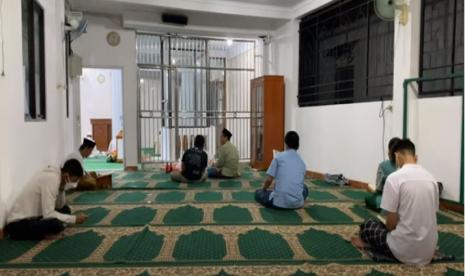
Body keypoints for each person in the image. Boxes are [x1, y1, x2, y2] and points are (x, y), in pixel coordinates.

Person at [352, 139, 439, 266]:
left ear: (397, 156)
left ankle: (369, 243)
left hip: (403, 250)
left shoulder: (394, 178)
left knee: (369, 225)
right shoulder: (432, 179)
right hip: (428, 250)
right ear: (416, 157)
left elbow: (390, 225)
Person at [2, 159, 88, 240]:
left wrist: (62, 188)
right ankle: (48, 233)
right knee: (55, 224)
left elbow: (59, 206)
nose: (74, 184)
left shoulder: (58, 178)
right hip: (18, 225)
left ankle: (49, 231)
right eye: (74, 180)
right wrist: (73, 219)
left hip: (35, 217)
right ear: (67, 175)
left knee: (65, 209)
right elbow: (49, 213)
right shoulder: (51, 179)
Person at [255, 131, 308, 209]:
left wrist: (264, 189)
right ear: (298, 145)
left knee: (258, 193)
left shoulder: (278, 157)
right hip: (297, 204)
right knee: (305, 189)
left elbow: (269, 180)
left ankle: (266, 193)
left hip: (278, 203)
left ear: (285, 143)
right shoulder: (302, 163)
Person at [365, 137, 401, 212]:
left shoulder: (383, 165)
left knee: (368, 197)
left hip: (386, 201)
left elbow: (378, 188)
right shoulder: (406, 166)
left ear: (389, 151)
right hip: (404, 202)